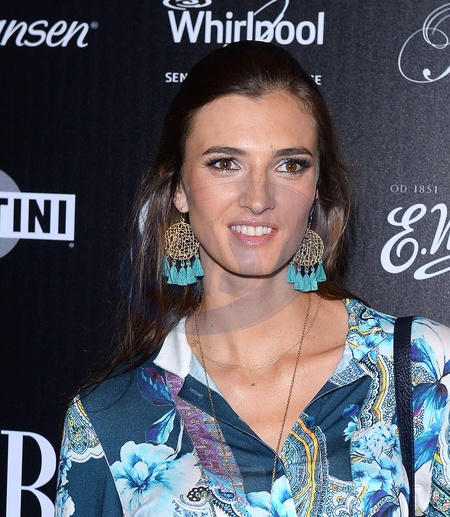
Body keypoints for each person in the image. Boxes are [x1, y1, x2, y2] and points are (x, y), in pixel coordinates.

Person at [54, 41, 450, 516]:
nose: (258, 198)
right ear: (179, 188)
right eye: (225, 163)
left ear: (316, 189)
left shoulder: (425, 367)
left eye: (289, 165)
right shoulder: (108, 422)